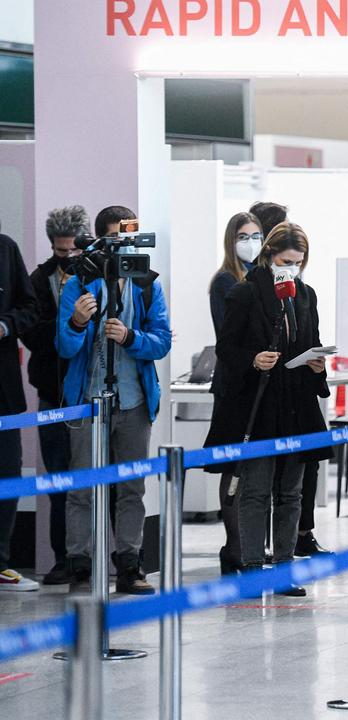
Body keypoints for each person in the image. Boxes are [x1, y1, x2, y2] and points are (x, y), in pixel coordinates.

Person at [203, 223, 330, 597]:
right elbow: (226, 348)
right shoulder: (245, 294)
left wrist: (316, 363)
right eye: (286, 261)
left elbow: (313, 341)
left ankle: (284, 567)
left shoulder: (305, 295)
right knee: (256, 490)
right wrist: (253, 359)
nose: (292, 269)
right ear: (270, 256)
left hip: (295, 401)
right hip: (258, 404)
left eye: (299, 263)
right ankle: (254, 567)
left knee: (292, 492)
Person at [57, 205, 173, 595]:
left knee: (131, 488)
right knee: (83, 487)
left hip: (134, 401)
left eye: (125, 241)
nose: (119, 250)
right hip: (88, 400)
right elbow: (65, 346)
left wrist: (130, 338)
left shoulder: (146, 285)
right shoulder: (78, 284)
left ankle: (128, 564)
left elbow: (161, 342)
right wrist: (76, 322)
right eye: (112, 241)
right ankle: (81, 567)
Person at [22, 206, 88, 586]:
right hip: (52, 392)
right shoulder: (39, 278)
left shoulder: (99, 275)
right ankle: (65, 557)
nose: (66, 260)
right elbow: (31, 333)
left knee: (96, 478)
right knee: (59, 478)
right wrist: (69, 325)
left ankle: (104, 553)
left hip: (90, 389)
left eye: (72, 252)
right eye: (60, 253)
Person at [208, 211, 261, 575]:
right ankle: (235, 546)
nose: (251, 241)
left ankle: (251, 545)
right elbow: (230, 338)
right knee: (234, 467)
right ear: (231, 239)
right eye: (244, 235)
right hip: (234, 385)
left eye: (257, 235)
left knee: (255, 468)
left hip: (259, 384)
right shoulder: (225, 282)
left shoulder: (261, 277)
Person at [0, 219, 39, 591]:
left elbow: (30, 307)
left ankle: (1, 562)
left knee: (7, 472)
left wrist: (5, 325)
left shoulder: (6, 248)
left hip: (3, 391)